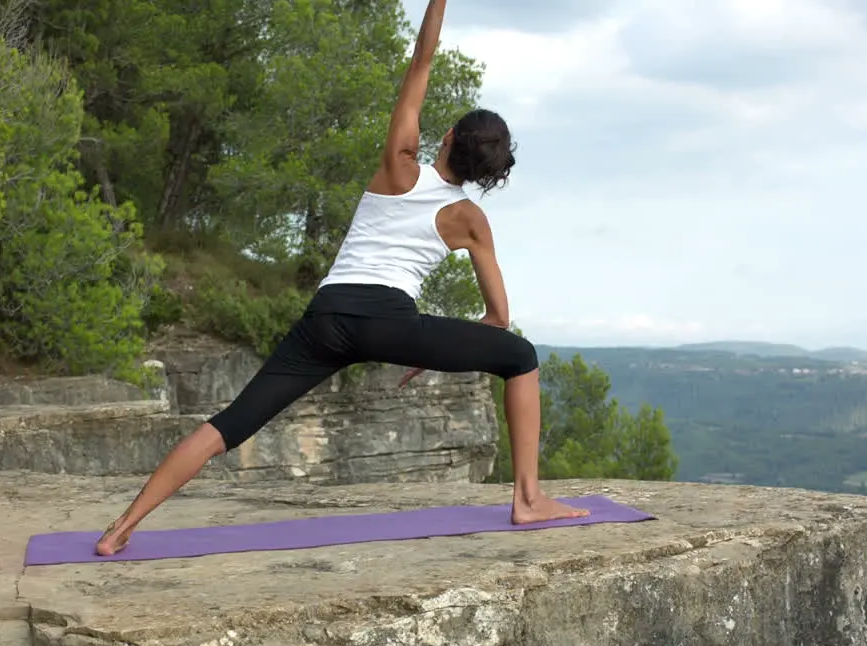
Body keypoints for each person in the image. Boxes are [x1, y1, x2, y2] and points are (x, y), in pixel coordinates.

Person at [95, 0, 589, 556]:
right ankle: (527, 498)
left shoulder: (399, 164)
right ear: (487, 173)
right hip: (389, 324)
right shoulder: (471, 221)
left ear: (448, 136)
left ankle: (122, 527)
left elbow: (422, 60)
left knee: (230, 424)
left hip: (326, 317)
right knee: (519, 357)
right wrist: (426, 349)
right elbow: (498, 318)